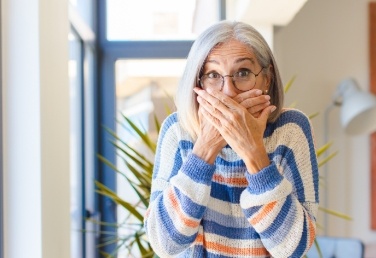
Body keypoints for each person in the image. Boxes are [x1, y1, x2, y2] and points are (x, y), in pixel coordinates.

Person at [144, 20, 319, 258]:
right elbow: (165, 244)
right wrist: (205, 148)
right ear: (198, 83)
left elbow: (293, 247)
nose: (228, 91)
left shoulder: (290, 130)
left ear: (266, 79)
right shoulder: (178, 130)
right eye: (213, 74)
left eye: (243, 73)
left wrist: (253, 152)